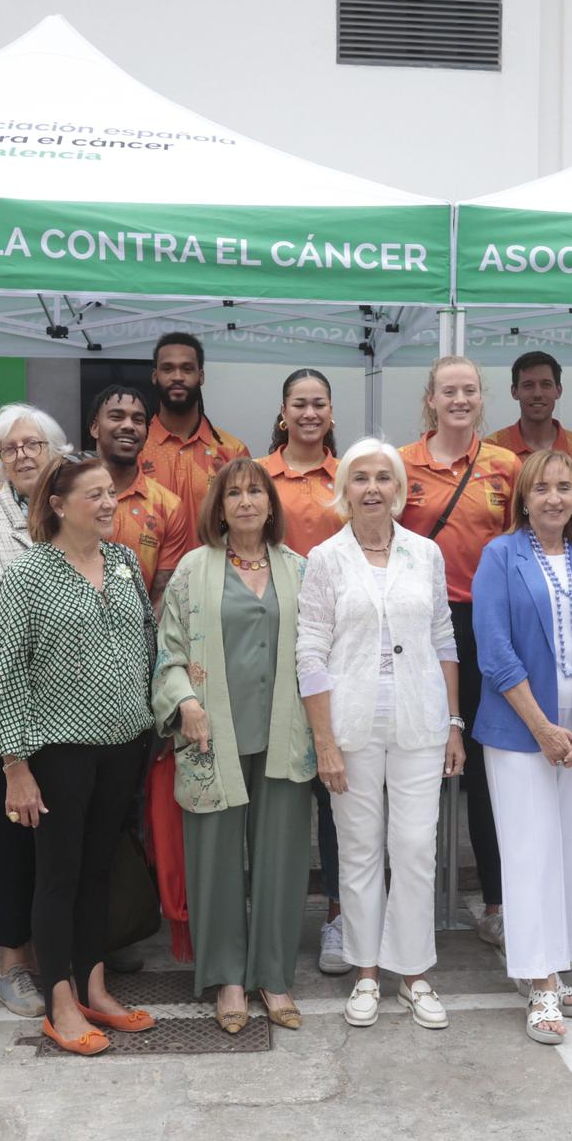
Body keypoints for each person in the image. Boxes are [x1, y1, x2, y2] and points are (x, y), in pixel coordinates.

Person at [0, 453, 159, 1056]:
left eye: (111, 494)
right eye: (95, 495)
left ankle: (94, 990)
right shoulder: (29, 574)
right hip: (57, 754)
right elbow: (8, 675)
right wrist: (15, 767)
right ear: (57, 505)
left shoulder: (125, 562)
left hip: (123, 746)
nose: (109, 504)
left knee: (99, 874)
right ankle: (59, 1005)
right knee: (57, 878)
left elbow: (145, 649)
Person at [299, 437, 463, 1030]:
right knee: (360, 849)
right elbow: (311, 651)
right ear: (344, 490)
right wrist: (324, 741)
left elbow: (444, 637)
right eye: (361, 478)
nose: (373, 488)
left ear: (399, 490)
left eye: (384, 478)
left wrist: (453, 721)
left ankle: (414, 973)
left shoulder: (426, 553)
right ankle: (366, 971)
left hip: (420, 721)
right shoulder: (325, 558)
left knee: (416, 849)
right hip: (352, 726)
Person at [153, 460, 316, 1032]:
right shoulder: (193, 570)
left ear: (272, 505)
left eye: (255, 492)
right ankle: (227, 978)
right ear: (218, 507)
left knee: (282, 857)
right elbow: (168, 652)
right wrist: (185, 703)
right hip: (211, 735)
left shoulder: (300, 569)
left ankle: (272, 977)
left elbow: (319, 653)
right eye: (233, 493)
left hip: (286, 734)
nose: (246, 501)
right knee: (216, 859)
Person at [473, 450, 572, 1044]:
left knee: (568, 851)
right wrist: (543, 728)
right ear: (524, 497)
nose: (555, 498)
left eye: (565, 488)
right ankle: (537, 983)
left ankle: (554, 962)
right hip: (519, 733)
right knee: (530, 850)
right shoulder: (500, 556)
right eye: (543, 489)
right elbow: (494, 650)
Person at [397, 354, 520, 946]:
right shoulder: (400, 464)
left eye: (469, 390)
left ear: (482, 397)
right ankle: (406, 902)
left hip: (485, 624)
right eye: (449, 391)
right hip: (417, 627)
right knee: (415, 759)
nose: (460, 400)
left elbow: (519, 547)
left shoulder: (506, 466)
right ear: (430, 399)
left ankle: (496, 903)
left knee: (484, 762)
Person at [0, 403, 72, 1018]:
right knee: (9, 843)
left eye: (34, 445)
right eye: (10, 449)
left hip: (74, 708)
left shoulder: (71, 511)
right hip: (8, 711)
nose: (23, 456)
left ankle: (57, 961)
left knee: (57, 843)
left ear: (56, 452)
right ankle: (11, 966)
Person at [258, 368, 349, 975]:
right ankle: (274, 916)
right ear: (284, 413)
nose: (310, 413)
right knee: (280, 791)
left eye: (319, 404)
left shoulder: (351, 477)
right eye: (300, 404)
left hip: (339, 652)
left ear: (331, 414)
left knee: (336, 794)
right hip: (269, 647)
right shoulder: (258, 478)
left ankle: (340, 918)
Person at [87, 383, 195, 606]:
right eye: (117, 416)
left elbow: (161, 599)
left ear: (146, 433)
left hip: (138, 636)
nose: (128, 426)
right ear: (95, 428)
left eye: (138, 420)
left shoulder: (168, 506)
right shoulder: (67, 493)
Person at [140, 331, 249, 514]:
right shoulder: (136, 448)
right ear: (154, 376)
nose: (177, 377)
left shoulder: (233, 452)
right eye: (167, 369)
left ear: (201, 376)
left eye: (187, 369)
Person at [486, 351, 572, 479]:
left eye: (546, 385)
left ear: (558, 391)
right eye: (528, 386)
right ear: (514, 392)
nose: (537, 393)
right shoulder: (490, 450)